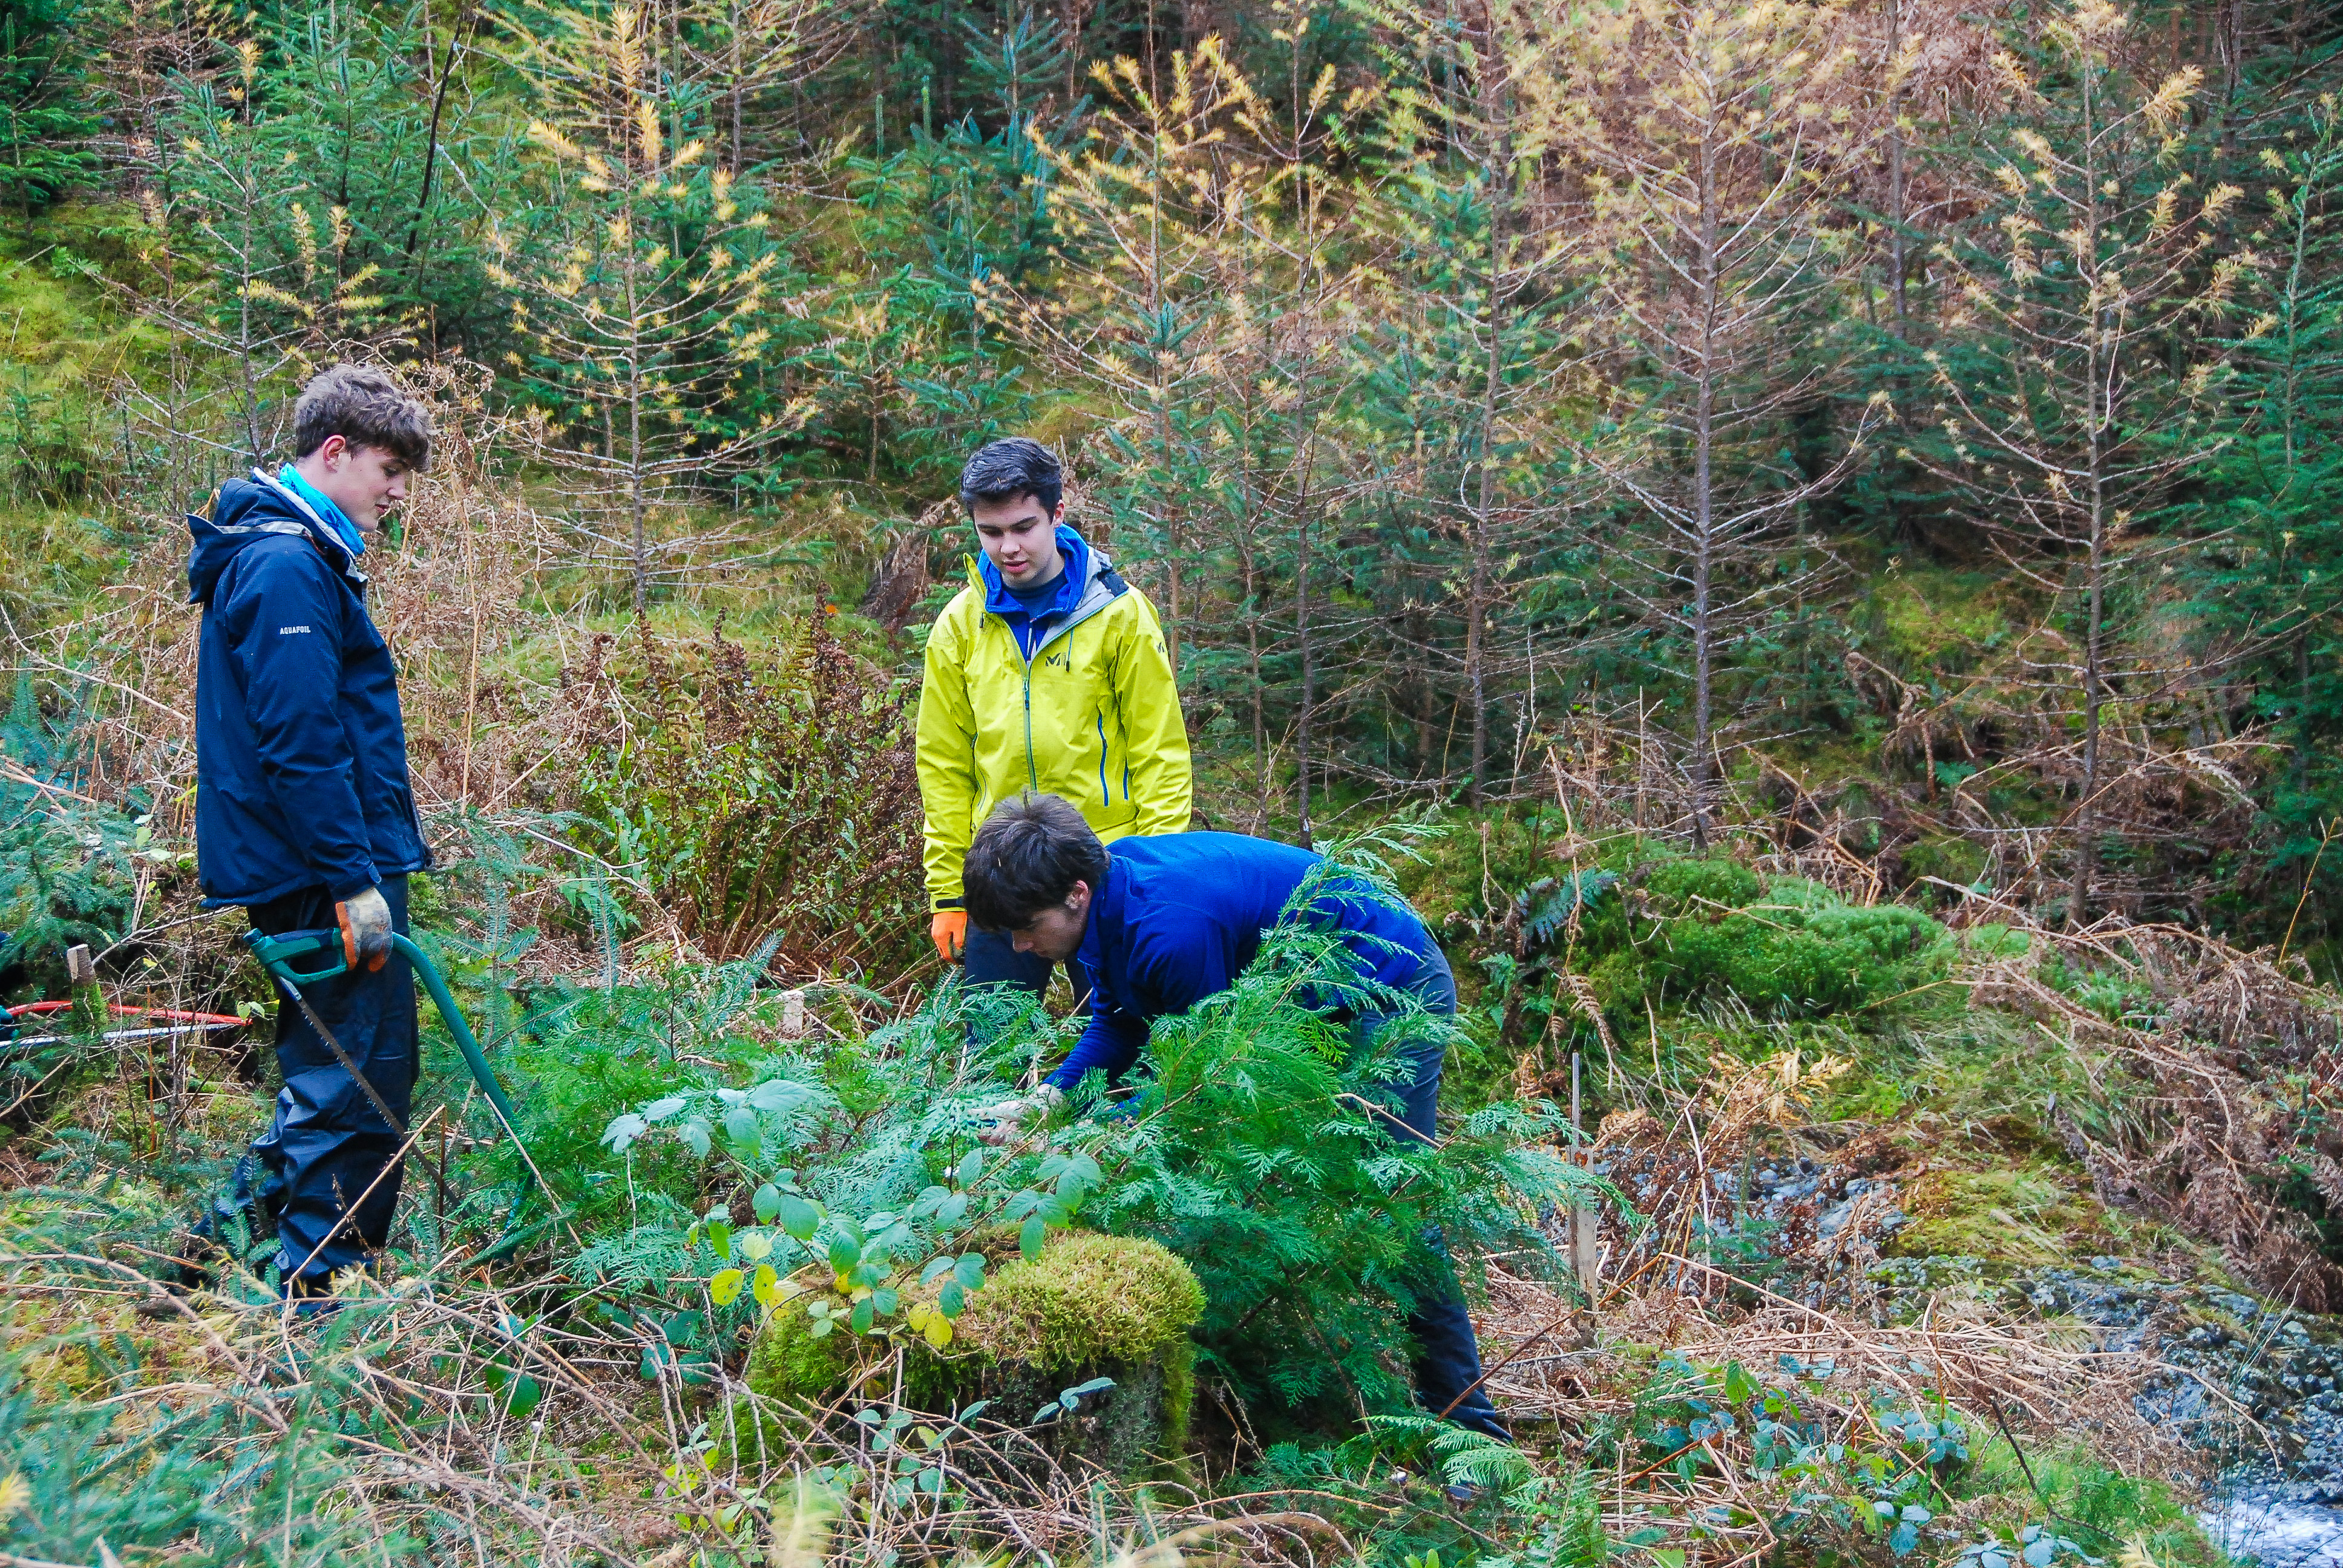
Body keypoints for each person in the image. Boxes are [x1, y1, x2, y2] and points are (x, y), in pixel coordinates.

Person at [959, 792, 1510, 1444]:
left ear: (1076, 893)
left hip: (1389, 987)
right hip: (1299, 991)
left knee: (1396, 1205)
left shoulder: (1169, 929)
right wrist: (1049, 1101)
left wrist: (1095, 1137)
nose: (1022, 945)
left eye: (1026, 926)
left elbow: (1200, 1086)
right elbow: (1118, 1020)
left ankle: (1472, 1435)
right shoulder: (1106, 900)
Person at [186, 364, 434, 1300]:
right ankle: (321, 1298)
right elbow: (301, 744)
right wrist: (352, 879)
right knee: (353, 1081)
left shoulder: (294, 553)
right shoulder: (288, 564)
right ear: (334, 453)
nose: (396, 493)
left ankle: (204, 1263)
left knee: (350, 1073)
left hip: (329, 864)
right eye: (388, 469)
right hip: (323, 874)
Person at [916, 438, 1191, 1011]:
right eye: (991, 533)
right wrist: (949, 891)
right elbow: (943, 767)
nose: (1008, 547)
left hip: (1109, 872)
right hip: (998, 868)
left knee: (1128, 1047)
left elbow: (1159, 754)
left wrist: (1158, 876)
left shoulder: (1120, 614)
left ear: (1058, 513)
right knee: (993, 1053)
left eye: (1024, 526)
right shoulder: (960, 626)